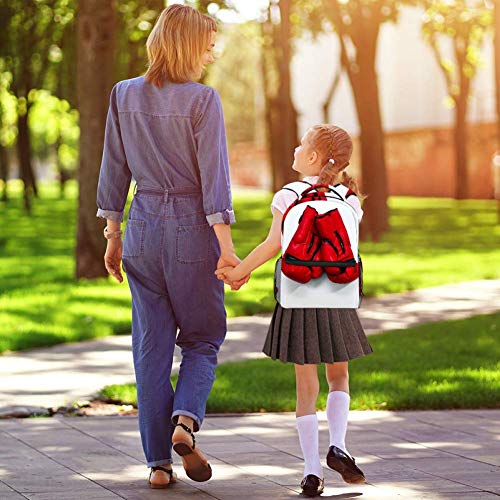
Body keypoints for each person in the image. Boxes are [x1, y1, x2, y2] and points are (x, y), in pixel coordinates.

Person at [95, 4, 248, 489]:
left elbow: (113, 170)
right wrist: (226, 249)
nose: (210, 52)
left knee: (151, 348)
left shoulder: (123, 94)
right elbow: (214, 182)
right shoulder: (203, 100)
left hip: (140, 227)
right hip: (191, 230)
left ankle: (158, 464)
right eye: (206, 44)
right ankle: (185, 421)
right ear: (186, 45)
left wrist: (113, 235)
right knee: (203, 338)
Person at [216, 124, 373, 497]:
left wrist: (238, 272)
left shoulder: (289, 195)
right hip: (336, 298)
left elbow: (274, 244)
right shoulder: (349, 199)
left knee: (306, 387)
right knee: (339, 378)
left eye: (301, 144)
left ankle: (312, 471)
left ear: (314, 157)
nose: (295, 148)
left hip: (298, 297)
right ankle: (340, 445)